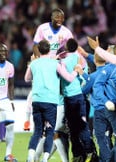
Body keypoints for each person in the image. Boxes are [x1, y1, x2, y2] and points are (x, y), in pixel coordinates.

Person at [24, 8, 75, 162]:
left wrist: (62, 54)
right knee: (48, 127)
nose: (60, 18)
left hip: (56, 66)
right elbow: (35, 46)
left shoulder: (66, 32)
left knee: (44, 127)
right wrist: (39, 60)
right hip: (44, 65)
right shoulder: (42, 28)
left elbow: (71, 48)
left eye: (62, 17)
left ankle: (33, 155)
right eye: (57, 16)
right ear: (51, 17)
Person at [61, 38, 97, 162]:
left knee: (73, 128)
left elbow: (62, 78)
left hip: (69, 97)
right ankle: (91, 152)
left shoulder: (63, 62)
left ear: (66, 48)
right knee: (82, 126)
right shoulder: (82, 60)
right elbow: (86, 76)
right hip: (81, 97)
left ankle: (78, 155)